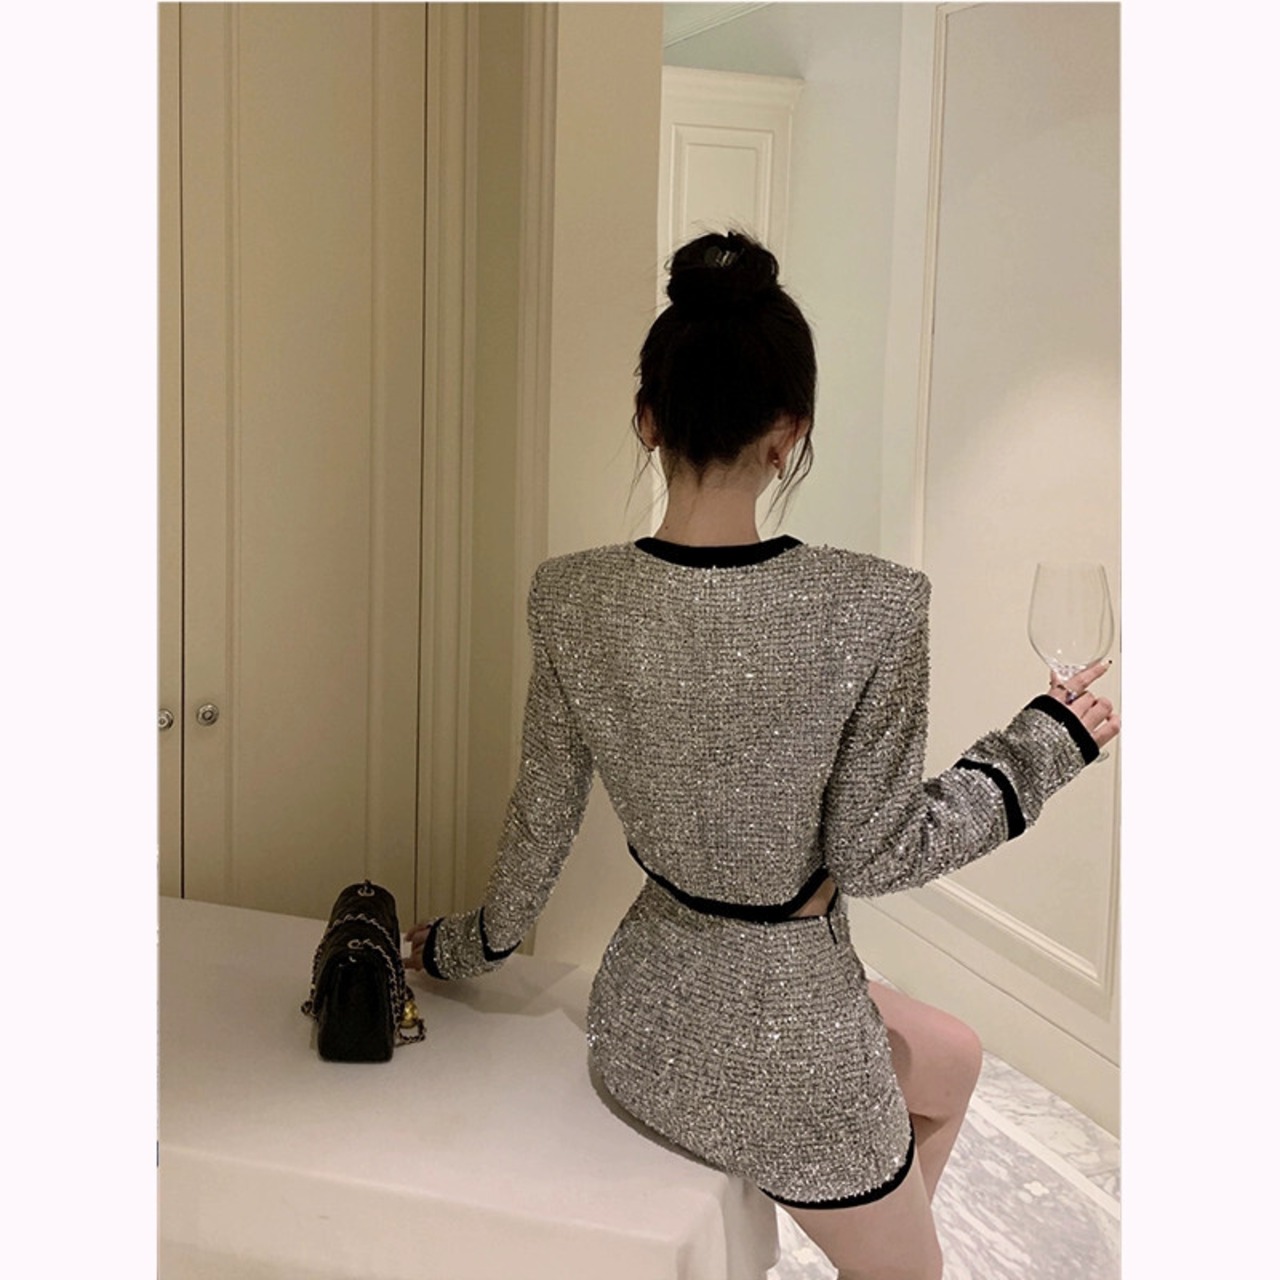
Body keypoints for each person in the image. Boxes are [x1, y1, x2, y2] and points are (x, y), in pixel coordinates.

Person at [406, 230, 1119, 1280]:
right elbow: (876, 852)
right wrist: (1045, 744)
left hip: (643, 1017)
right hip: (789, 1054)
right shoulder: (874, 603)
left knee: (954, 1056)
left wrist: (462, 948)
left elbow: (539, 820)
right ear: (789, 435)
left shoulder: (571, 596)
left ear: (647, 419)